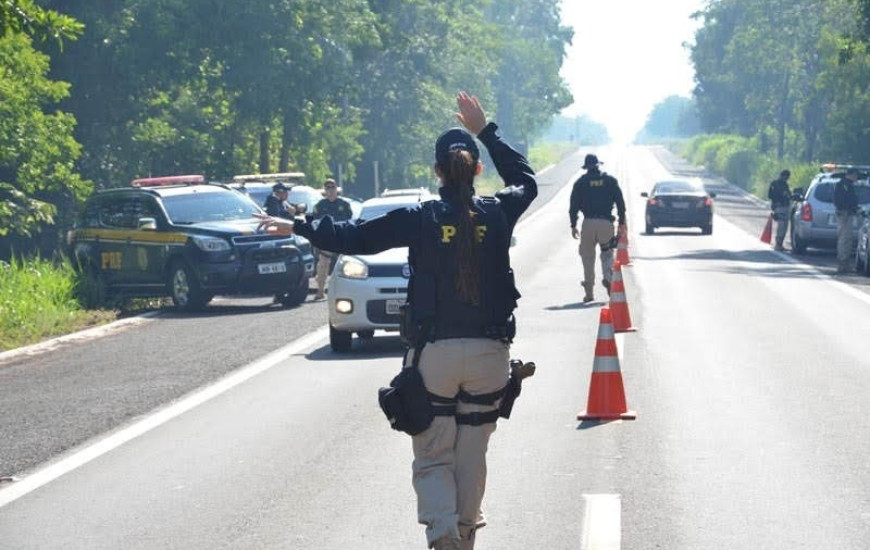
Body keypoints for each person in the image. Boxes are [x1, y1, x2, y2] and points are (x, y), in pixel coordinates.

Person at [256, 91, 536, 550]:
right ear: (477, 169)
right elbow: (525, 179)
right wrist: (486, 131)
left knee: (432, 456)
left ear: (437, 172)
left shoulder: (419, 217)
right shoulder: (499, 211)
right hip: (491, 355)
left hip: (436, 358)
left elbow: (355, 237)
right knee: (472, 455)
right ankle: (464, 537)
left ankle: (443, 533)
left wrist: (302, 226)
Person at [568, 154, 626, 302]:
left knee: (587, 258)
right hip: (605, 223)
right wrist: (621, 222)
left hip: (588, 224)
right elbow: (620, 203)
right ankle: (607, 277)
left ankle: (589, 293)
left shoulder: (580, 183)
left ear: (586, 167)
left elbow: (573, 206)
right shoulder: (610, 181)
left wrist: (573, 225)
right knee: (607, 254)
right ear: (598, 165)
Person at [311, 178, 353, 300]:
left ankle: (347, 291)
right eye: (327, 187)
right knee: (323, 264)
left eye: (332, 187)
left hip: (342, 238)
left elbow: (349, 220)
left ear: (336, 189)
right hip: (327, 240)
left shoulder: (344, 205)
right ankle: (320, 290)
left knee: (347, 265)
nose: (330, 190)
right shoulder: (320, 206)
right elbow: (315, 222)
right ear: (325, 190)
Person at [834, 167, 860, 273]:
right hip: (844, 214)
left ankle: (845, 263)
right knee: (844, 239)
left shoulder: (847, 185)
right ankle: (842, 264)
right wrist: (850, 208)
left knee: (847, 238)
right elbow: (842, 200)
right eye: (856, 175)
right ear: (852, 174)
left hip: (847, 213)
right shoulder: (843, 185)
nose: (857, 177)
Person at [767, 169, 792, 251]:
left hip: (785, 207)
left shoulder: (785, 184)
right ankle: (778, 244)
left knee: (785, 226)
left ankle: (780, 243)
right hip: (779, 207)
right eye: (786, 177)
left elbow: (788, 195)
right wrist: (777, 201)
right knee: (781, 226)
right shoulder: (774, 184)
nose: (786, 179)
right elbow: (770, 195)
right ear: (782, 176)